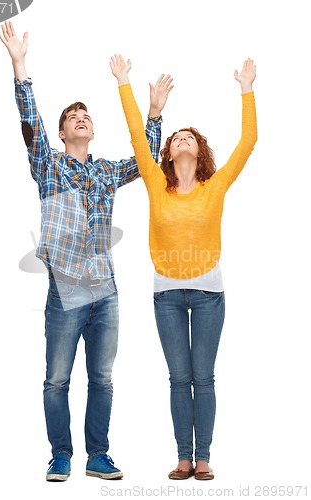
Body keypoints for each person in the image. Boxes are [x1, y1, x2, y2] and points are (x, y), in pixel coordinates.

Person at [0, 21, 171, 482]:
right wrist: (20, 65)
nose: (82, 119)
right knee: (57, 380)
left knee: (103, 379)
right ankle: (60, 454)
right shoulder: (49, 164)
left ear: (92, 131)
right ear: (62, 132)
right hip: (65, 292)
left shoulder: (106, 172)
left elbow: (146, 160)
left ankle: (99, 455)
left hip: (105, 293)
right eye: (73, 116)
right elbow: (30, 122)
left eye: (87, 116)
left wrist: (154, 113)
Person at [110, 55, 257, 480]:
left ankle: (204, 457)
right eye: (177, 139)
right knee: (179, 379)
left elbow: (248, 141)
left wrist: (246, 88)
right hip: (167, 295)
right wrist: (125, 82)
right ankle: (182, 458)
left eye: (190, 138)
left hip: (210, 294)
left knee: (203, 378)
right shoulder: (157, 184)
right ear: (170, 155)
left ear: (199, 150)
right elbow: (138, 135)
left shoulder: (216, 186)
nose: (183, 140)